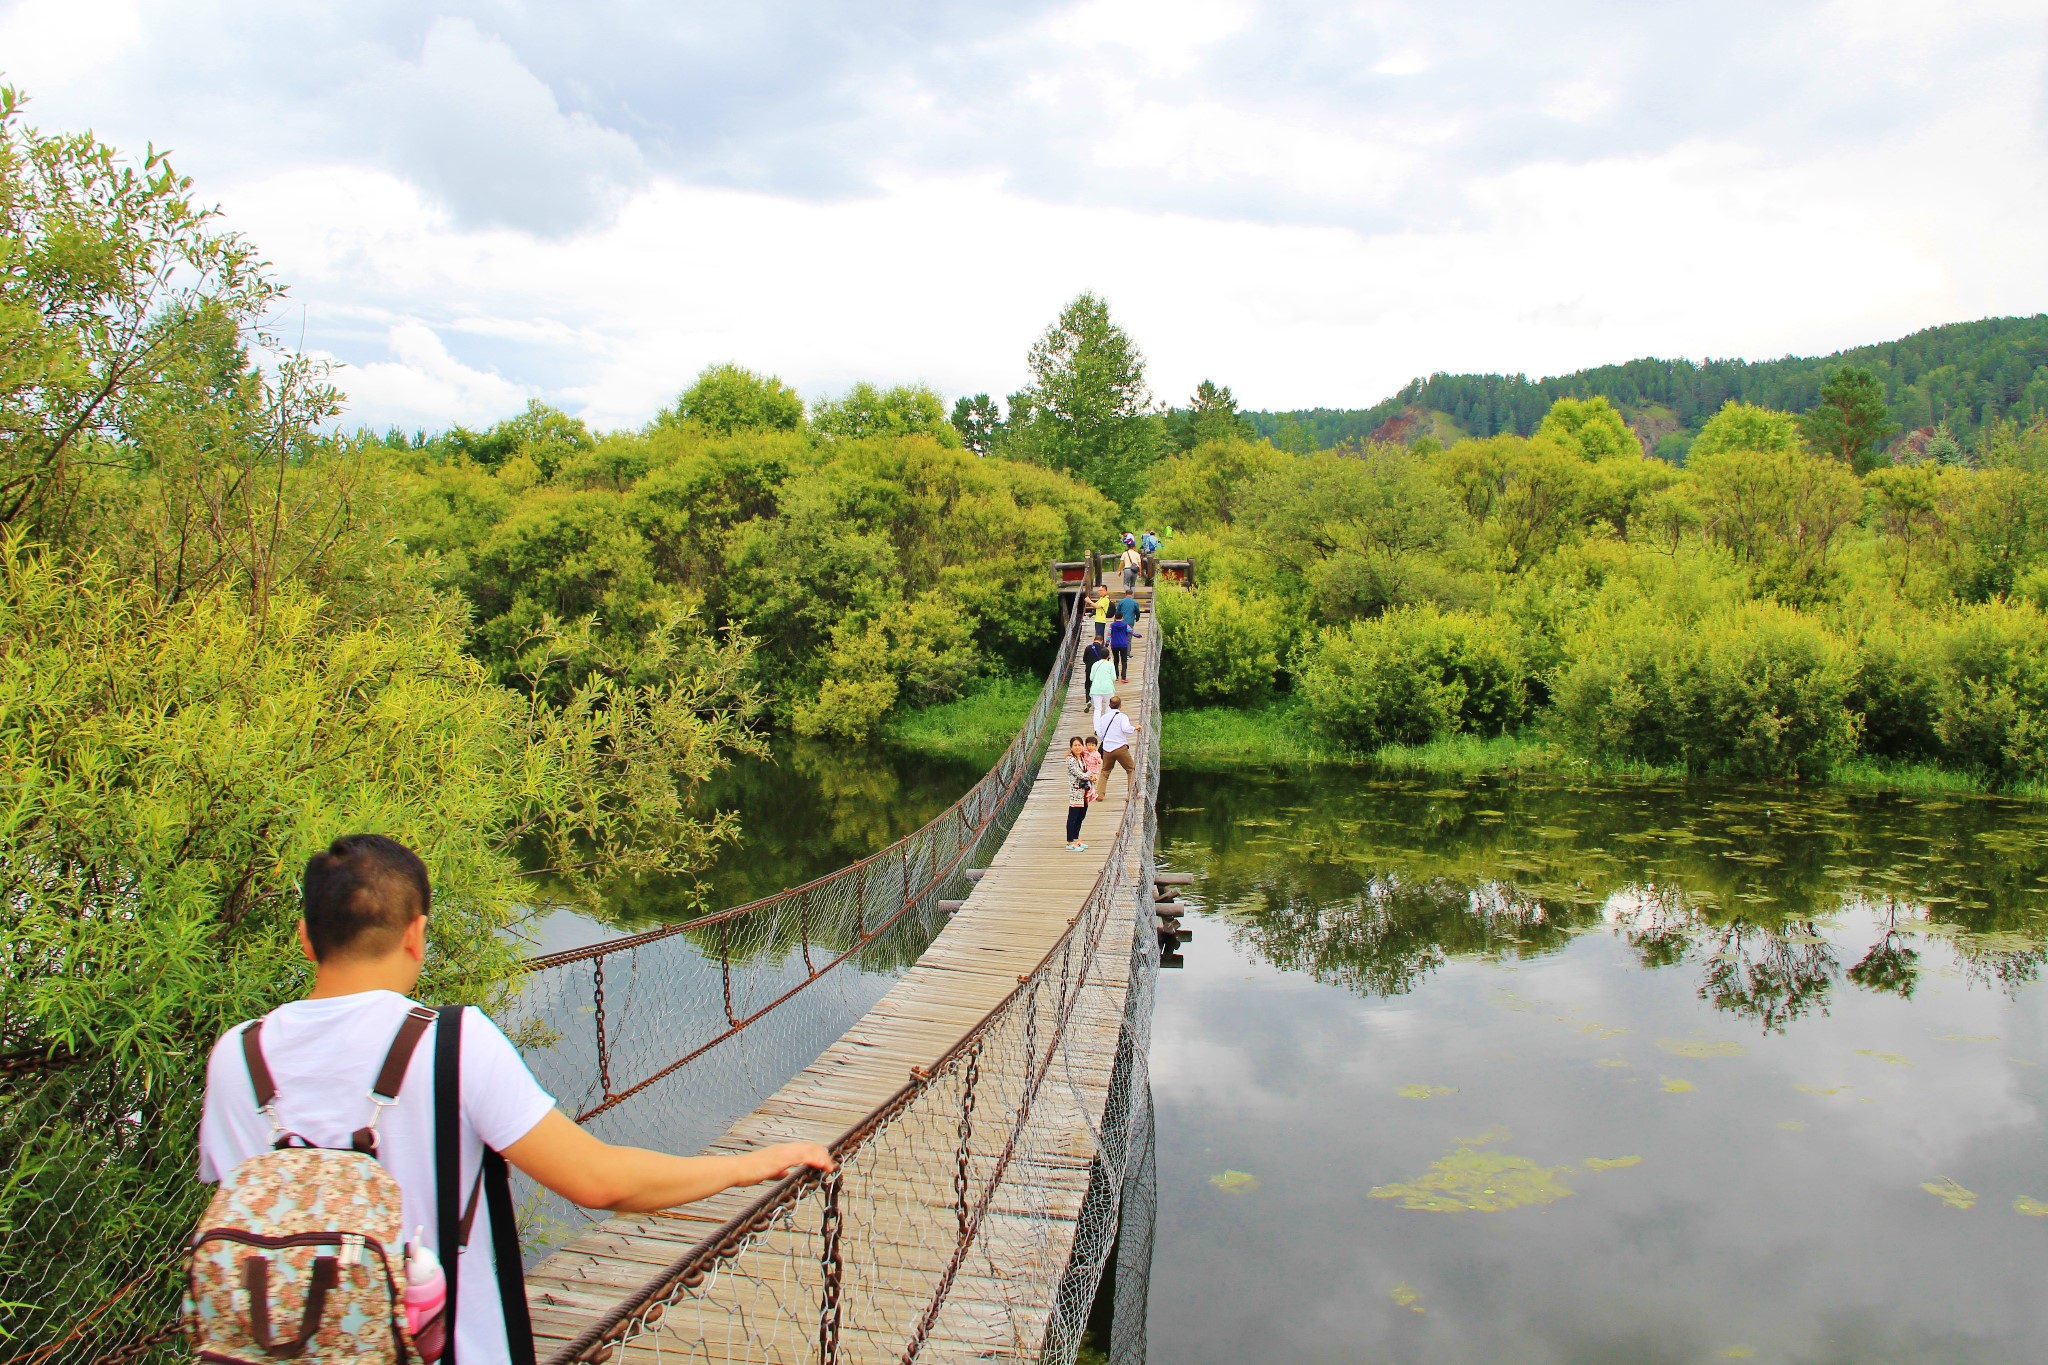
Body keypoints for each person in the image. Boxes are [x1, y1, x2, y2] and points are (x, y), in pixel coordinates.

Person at [198, 835, 835, 1364]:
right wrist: (750, 1163)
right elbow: (599, 1181)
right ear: (417, 934)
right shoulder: (452, 1042)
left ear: (306, 938)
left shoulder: (238, 1057)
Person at [1094, 697, 1140, 801]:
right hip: (1120, 748)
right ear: (1120, 705)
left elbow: (1099, 733)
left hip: (1107, 749)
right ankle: (1131, 794)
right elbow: (1126, 729)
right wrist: (1135, 728)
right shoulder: (1122, 716)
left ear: (1110, 705)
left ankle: (1100, 795)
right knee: (1130, 769)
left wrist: (1107, 740)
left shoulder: (1103, 718)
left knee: (1105, 771)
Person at [1064, 737, 1093, 850]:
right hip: (1076, 792)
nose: (1077, 747)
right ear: (1071, 747)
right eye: (1075, 745)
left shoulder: (1082, 757)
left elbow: (1087, 770)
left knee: (1081, 816)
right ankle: (1070, 842)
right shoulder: (1070, 759)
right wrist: (1091, 776)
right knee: (1073, 817)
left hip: (1084, 791)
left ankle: (1076, 839)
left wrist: (1092, 775)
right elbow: (1079, 774)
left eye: (1080, 745)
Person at [1089, 646, 1117, 728]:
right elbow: (1114, 678)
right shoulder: (1110, 665)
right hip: (1108, 688)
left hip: (1096, 689)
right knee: (1109, 706)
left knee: (1097, 709)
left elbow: (1091, 678)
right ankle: (1106, 725)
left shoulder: (1095, 664)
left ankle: (1096, 728)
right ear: (1108, 656)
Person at [1108, 611, 1132, 682]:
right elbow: (1131, 631)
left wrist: (1106, 644)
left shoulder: (1111, 625)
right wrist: (1138, 635)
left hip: (1114, 645)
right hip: (1123, 645)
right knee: (1124, 661)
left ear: (1115, 617)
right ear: (1122, 617)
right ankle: (1123, 677)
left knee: (1116, 660)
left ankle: (1116, 676)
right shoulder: (1125, 625)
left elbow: (1109, 635)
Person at [1082, 735, 1104, 804]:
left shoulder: (1096, 754)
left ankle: (1092, 794)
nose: (1090, 747)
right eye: (1088, 745)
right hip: (1086, 770)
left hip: (1093, 771)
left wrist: (1100, 761)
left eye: (1092, 745)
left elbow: (1099, 760)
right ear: (1086, 745)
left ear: (1095, 746)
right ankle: (1089, 793)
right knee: (1087, 782)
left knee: (1091, 782)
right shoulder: (1085, 751)